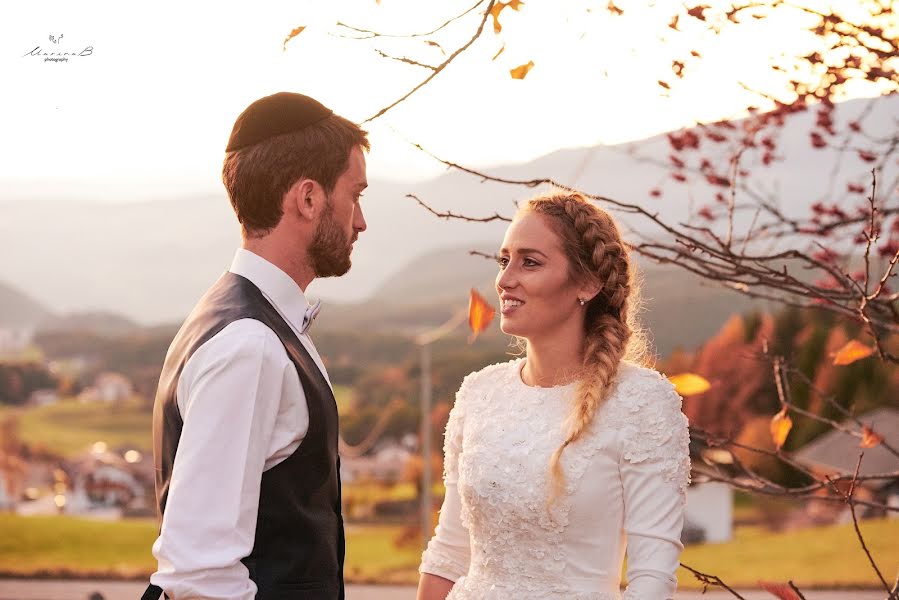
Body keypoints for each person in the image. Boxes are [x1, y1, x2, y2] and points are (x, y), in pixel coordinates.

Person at [143, 92, 369, 600]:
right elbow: (200, 575)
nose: (360, 221)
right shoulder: (250, 344)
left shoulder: (242, 320)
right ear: (308, 198)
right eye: (354, 195)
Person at [417, 191, 691, 600]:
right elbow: (448, 554)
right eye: (504, 259)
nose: (506, 279)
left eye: (530, 262)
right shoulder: (478, 394)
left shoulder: (641, 402)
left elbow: (652, 579)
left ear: (587, 283)